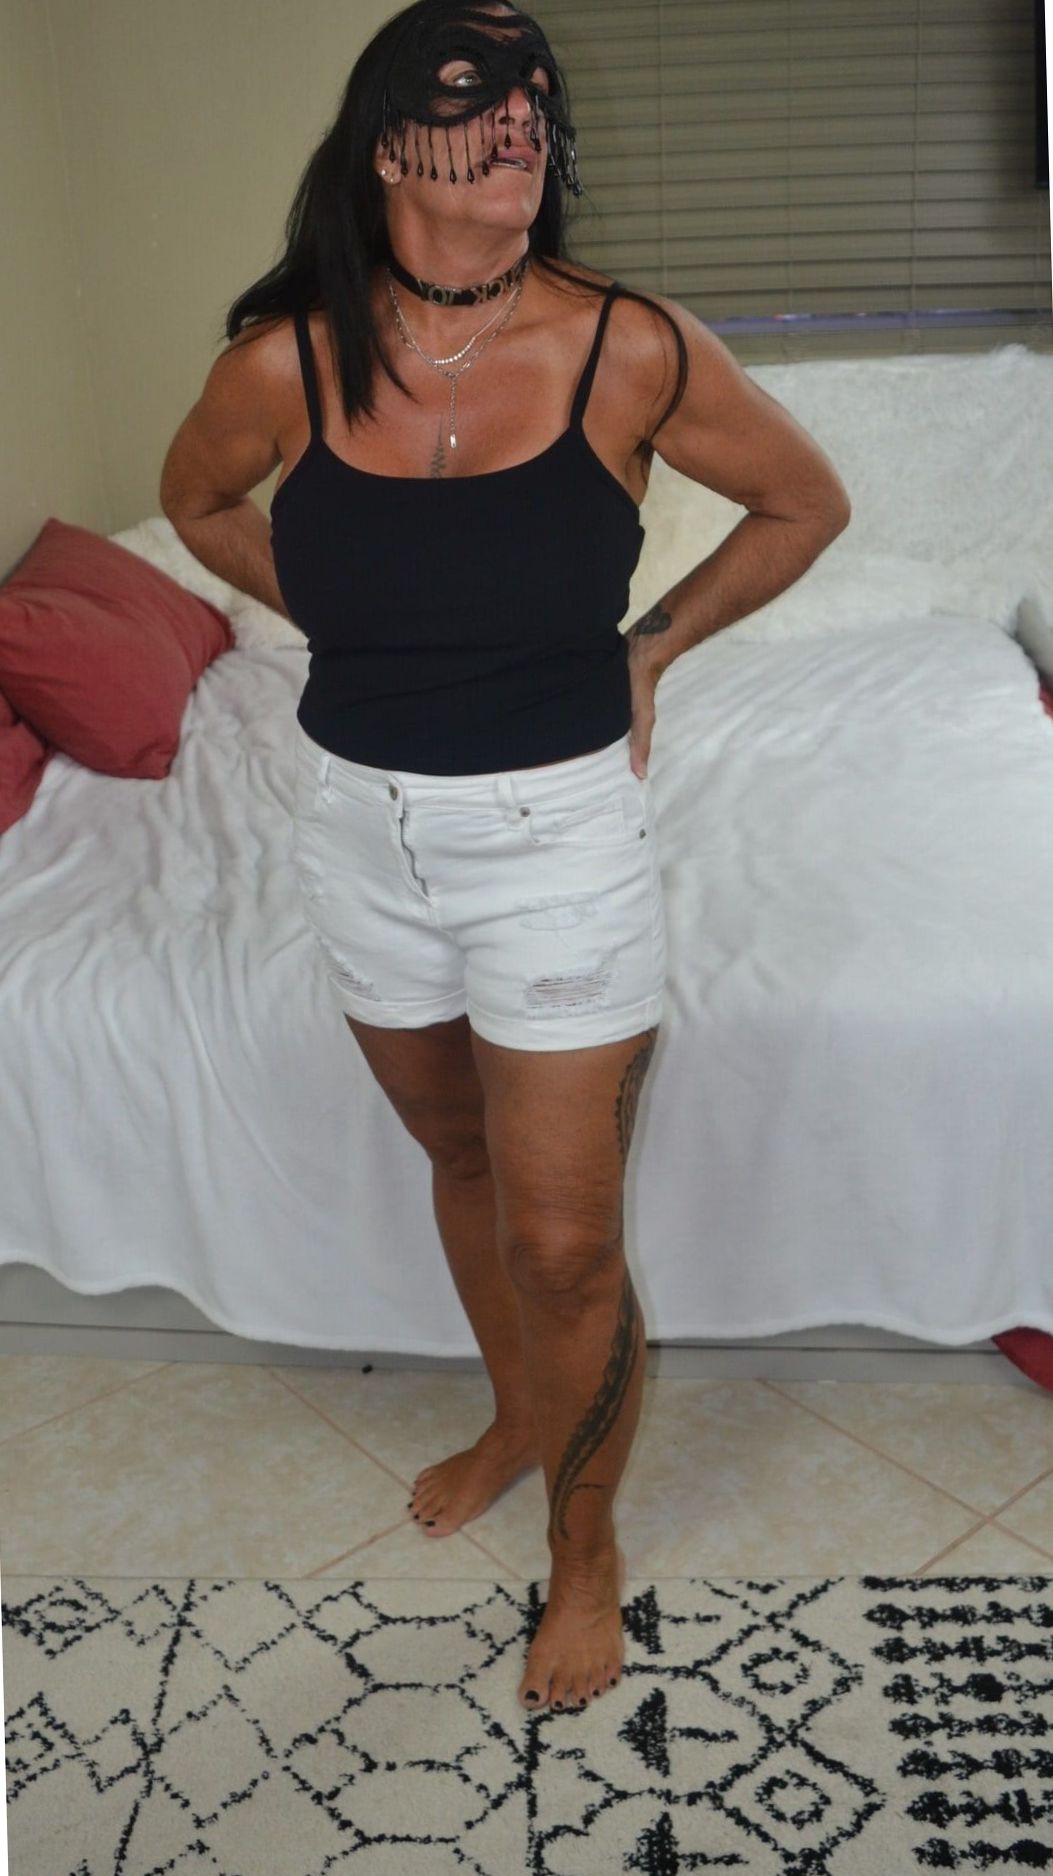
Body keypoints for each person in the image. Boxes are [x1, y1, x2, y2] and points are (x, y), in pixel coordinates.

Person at [160, 0, 851, 1718]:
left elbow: (802, 504)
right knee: (458, 1152)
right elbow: (195, 503)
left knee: (562, 1243)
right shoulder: (284, 363)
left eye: (535, 93)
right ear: (386, 144)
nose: (522, 117)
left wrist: (649, 647)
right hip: (356, 828)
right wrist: (352, 608)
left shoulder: (630, 346)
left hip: (553, 842)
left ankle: (583, 1547)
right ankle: (520, 1416)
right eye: (473, 92)